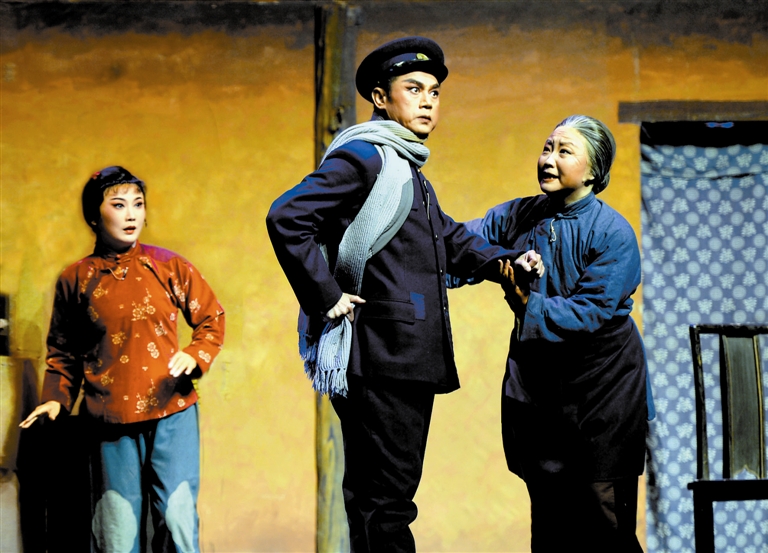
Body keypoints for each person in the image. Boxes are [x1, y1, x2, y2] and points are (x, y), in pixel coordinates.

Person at [266, 37, 541, 552]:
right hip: (383, 356)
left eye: (434, 92)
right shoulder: (365, 159)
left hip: (401, 357)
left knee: (379, 499)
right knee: (385, 502)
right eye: (413, 89)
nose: (428, 102)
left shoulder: (404, 166)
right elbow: (287, 217)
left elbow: (449, 239)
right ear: (380, 97)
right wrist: (326, 295)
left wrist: (506, 259)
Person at [455, 115, 648, 552]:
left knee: (604, 514)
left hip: (603, 384)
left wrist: (529, 304)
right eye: (547, 148)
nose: (549, 159)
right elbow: (461, 247)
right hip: (540, 385)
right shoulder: (519, 215)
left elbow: (591, 310)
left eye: (564, 151)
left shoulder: (612, 232)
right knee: (549, 514)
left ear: (594, 171)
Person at [20, 166, 225, 553]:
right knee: (117, 528)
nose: (131, 214)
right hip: (109, 418)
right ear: (94, 217)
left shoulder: (169, 266)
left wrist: (195, 354)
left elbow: (211, 318)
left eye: (138, 204)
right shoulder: (75, 279)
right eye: (118, 205)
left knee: (178, 519)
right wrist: (55, 399)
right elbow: (63, 352)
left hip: (172, 411)